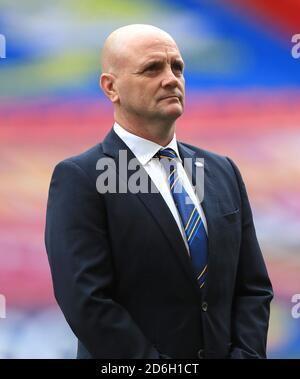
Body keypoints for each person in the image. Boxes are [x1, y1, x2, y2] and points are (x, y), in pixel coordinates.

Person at [45, 24, 273, 359]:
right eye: (152, 68)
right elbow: (87, 302)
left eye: (177, 67)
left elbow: (253, 288)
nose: (171, 78)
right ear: (111, 87)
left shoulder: (222, 171)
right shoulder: (81, 177)